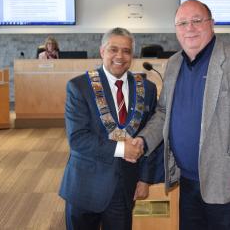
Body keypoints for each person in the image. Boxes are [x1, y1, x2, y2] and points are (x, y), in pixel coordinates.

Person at [130, 0, 230, 230]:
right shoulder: (174, 63)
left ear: (211, 24)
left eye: (197, 21)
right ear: (176, 29)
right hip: (187, 180)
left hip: (228, 181)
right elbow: (164, 112)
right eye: (182, 23)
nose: (190, 28)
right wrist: (143, 140)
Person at [58, 27, 163, 230]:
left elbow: (151, 136)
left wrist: (145, 179)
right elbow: (78, 139)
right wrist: (122, 149)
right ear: (102, 51)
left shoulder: (147, 89)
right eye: (113, 49)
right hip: (85, 186)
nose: (120, 56)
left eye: (126, 51)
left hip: (125, 187)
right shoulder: (79, 87)